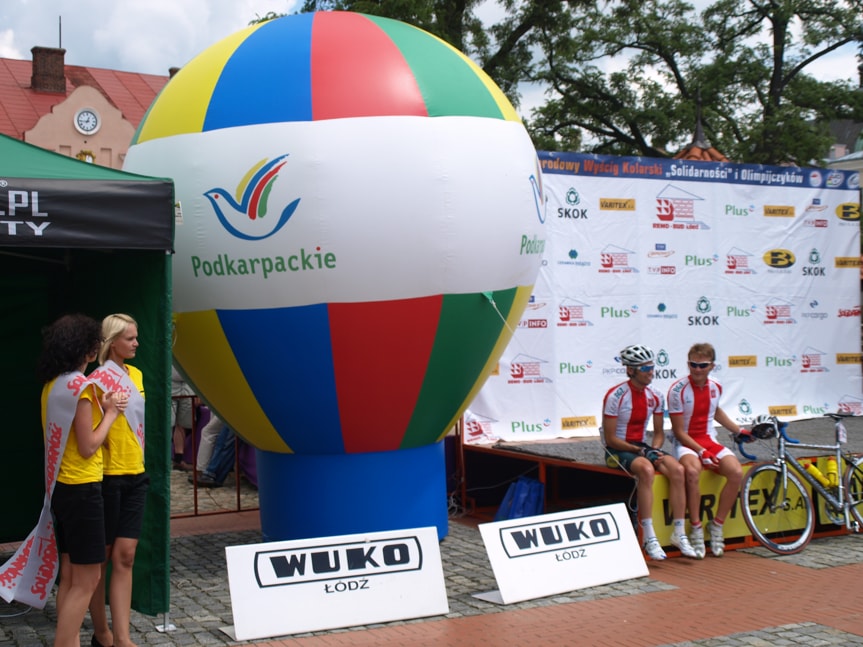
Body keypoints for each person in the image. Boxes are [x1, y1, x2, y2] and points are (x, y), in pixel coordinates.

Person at [38, 314, 126, 647]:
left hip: (61, 488)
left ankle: (70, 640)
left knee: (71, 577)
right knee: (87, 580)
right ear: (88, 350)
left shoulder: (53, 385)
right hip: (84, 489)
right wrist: (112, 414)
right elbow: (90, 445)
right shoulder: (84, 387)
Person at [602, 344, 697, 561]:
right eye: (645, 369)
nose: (650, 373)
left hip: (641, 447)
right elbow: (610, 438)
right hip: (617, 449)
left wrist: (653, 448)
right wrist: (641, 451)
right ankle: (649, 536)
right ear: (630, 370)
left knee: (678, 470)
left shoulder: (655, 396)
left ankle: (679, 533)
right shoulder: (615, 396)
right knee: (646, 470)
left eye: (651, 367)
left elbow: (659, 433)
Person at [87, 314, 148, 647]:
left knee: (126, 555)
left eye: (136, 337)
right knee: (101, 559)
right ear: (113, 343)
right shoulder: (96, 379)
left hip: (136, 474)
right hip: (107, 477)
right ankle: (103, 633)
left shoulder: (137, 374)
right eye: (130, 338)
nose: (136, 343)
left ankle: (123, 638)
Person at [667, 342, 744, 558]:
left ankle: (717, 525)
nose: (697, 370)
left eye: (702, 366)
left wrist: (738, 430)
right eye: (693, 365)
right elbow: (679, 431)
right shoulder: (677, 390)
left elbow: (715, 410)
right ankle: (696, 528)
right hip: (687, 443)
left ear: (712, 366)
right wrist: (701, 452)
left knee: (736, 473)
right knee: (692, 473)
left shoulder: (716, 386)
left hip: (709, 440)